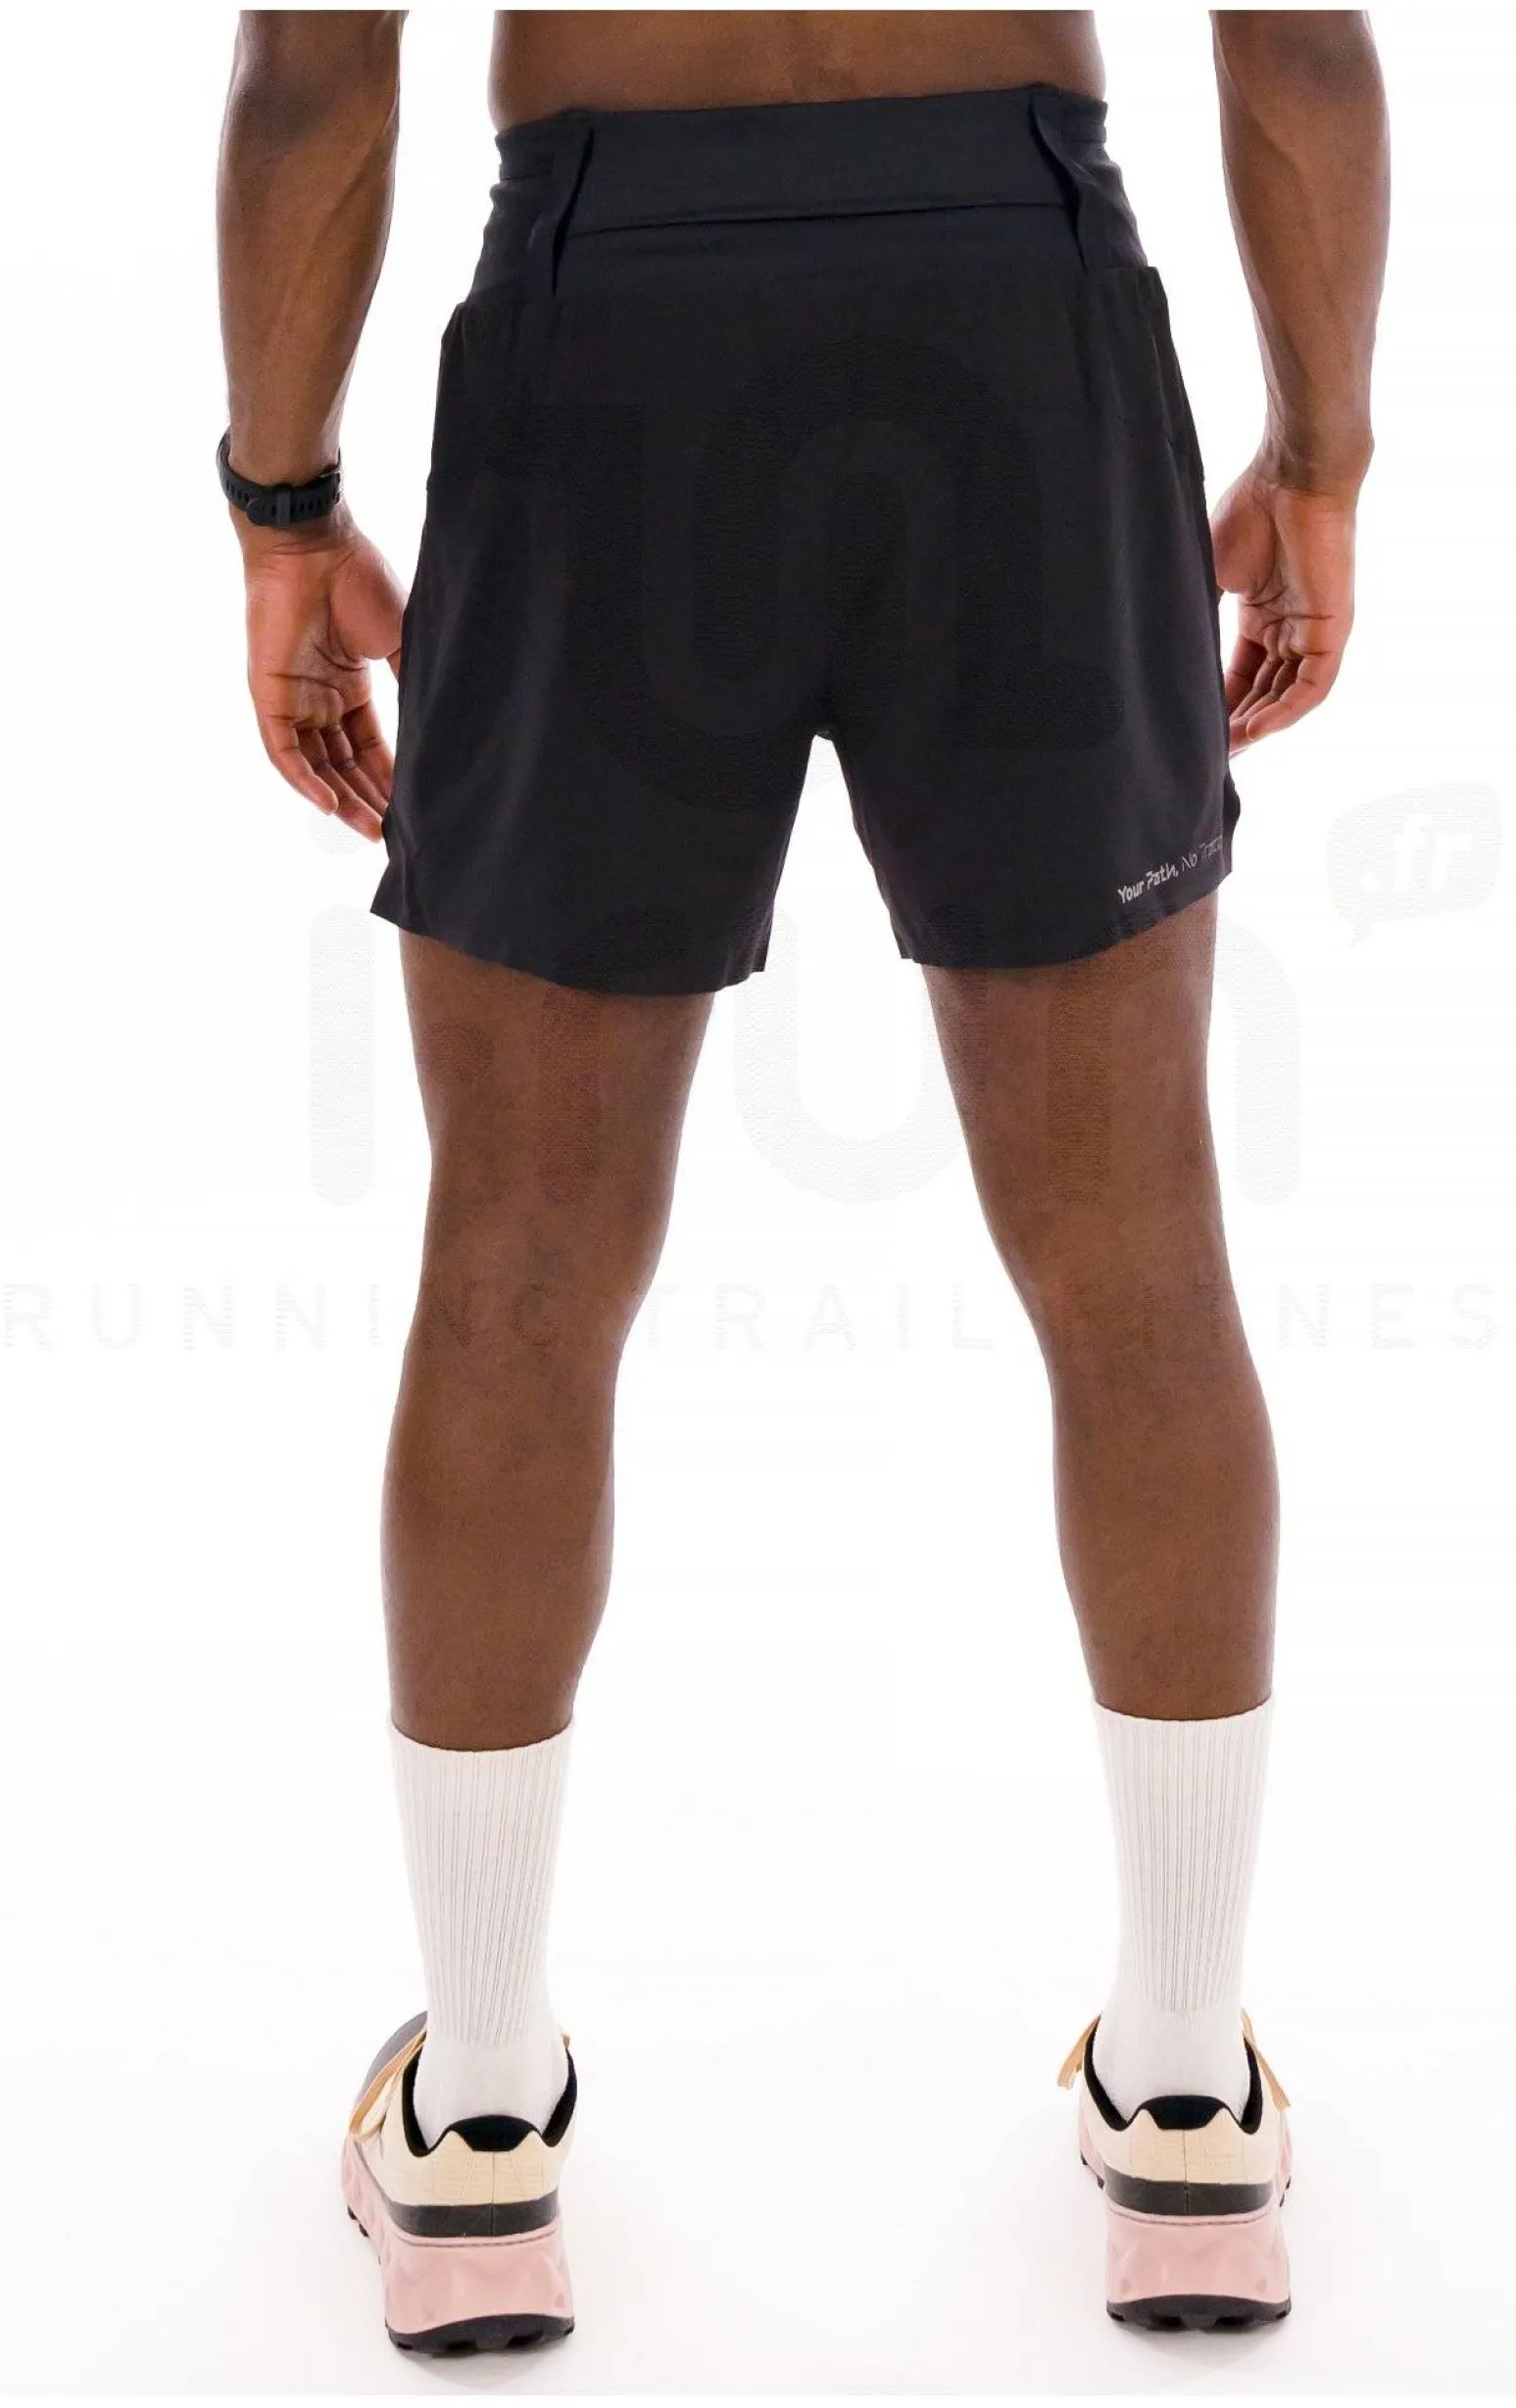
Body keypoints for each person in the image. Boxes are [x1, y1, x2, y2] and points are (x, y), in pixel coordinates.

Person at [218, 6, 1387, 2355]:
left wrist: (279, 505)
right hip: (1017, 310)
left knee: (519, 1261)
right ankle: (1184, 2091)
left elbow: (313, 76)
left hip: (611, 324)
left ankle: (476, 2121)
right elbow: (1299, 44)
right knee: (1137, 1251)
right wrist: (1317, 457)